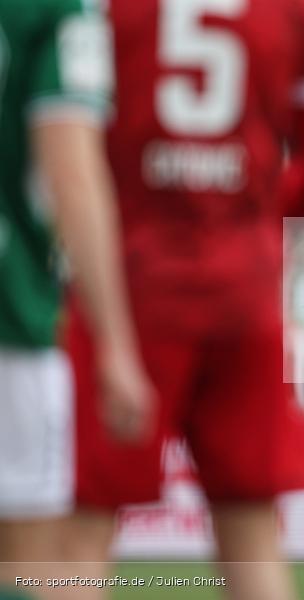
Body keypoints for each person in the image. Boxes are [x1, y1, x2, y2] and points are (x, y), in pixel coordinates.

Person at [62, 0, 304, 598]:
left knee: (80, 539)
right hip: (245, 289)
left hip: (129, 283)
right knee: (251, 538)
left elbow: (73, 152)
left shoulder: (107, 8)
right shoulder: (292, 10)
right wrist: (253, 225)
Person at [0, 0, 152, 597]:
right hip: (11, 313)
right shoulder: (57, 8)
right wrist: (115, 343)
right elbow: (73, 173)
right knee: (28, 567)